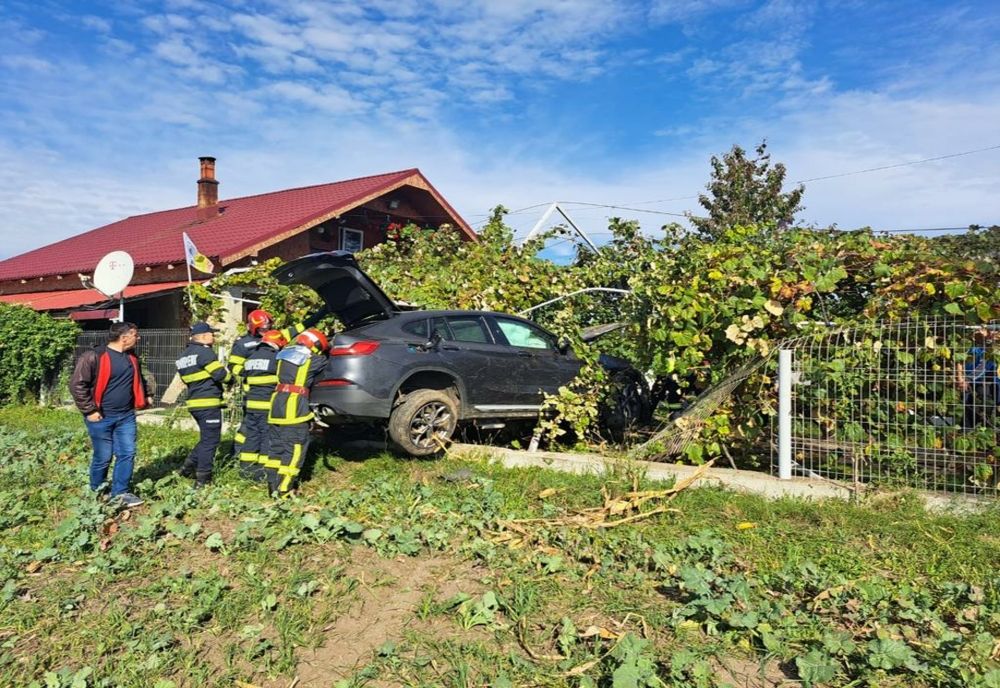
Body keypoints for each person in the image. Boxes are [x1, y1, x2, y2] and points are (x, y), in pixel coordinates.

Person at [70, 321, 150, 507]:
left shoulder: (131, 358)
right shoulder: (93, 356)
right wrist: (90, 410)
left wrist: (147, 395)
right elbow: (77, 385)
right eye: (135, 335)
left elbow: (140, 378)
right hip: (100, 417)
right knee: (103, 457)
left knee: (127, 453)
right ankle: (96, 490)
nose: (137, 338)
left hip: (126, 416)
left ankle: (120, 493)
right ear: (124, 337)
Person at [264, 328, 330, 497]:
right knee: (294, 450)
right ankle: (285, 490)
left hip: (276, 406)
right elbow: (328, 361)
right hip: (293, 409)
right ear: (315, 345)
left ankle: (273, 487)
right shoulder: (313, 360)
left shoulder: (282, 355)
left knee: (276, 450)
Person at [175, 322, 229, 487]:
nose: (213, 336)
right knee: (211, 441)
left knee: (206, 438)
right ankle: (202, 479)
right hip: (208, 403)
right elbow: (220, 375)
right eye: (212, 334)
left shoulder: (183, 356)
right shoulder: (205, 353)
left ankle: (187, 467)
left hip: (194, 403)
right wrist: (231, 379)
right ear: (204, 336)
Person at [234, 329, 287, 481]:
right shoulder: (276, 358)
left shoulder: (250, 358)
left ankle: (246, 469)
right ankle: (264, 472)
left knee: (251, 436)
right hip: (267, 405)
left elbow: (243, 376)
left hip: (251, 405)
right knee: (267, 437)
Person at [956, 327, 999, 429]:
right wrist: (960, 378)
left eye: (982, 329)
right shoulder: (967, 345)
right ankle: (967, 432)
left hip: (985, 382)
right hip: (968, 381)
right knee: (968, 407)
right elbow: (959, 360)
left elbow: (983, 367)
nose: (978, 331)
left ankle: (986, 432)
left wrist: (967, 379)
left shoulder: (991, 347)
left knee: (985, 406)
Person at [228, 309, 274, 379]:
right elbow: (232, 365)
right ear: (253, 327)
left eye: (268, 328)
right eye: (262, 328)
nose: (266, 331)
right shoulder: (242, 343)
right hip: (251, 387)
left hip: (272, 386)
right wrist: (247, 372)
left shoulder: (273, 338)